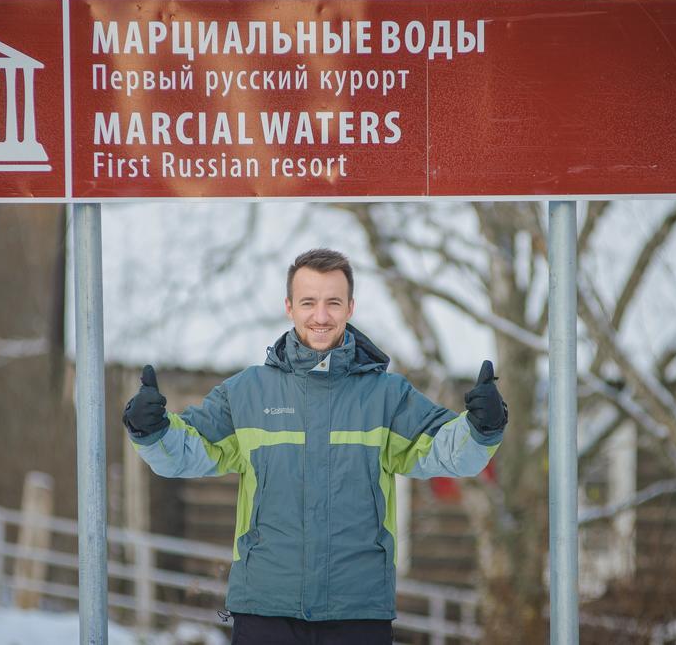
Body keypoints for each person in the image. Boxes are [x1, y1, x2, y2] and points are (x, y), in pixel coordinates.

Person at [123, 248, 508, 645]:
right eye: (308, 302)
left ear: (350, 307)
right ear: (289, 307)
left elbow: (446, 451)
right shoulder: (247, 393)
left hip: (357, 608)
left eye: (333, 303)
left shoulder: (386, 397)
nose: (320, 316)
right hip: (265, 608)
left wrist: (482, 426)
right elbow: (187, 450)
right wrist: (151, 429)